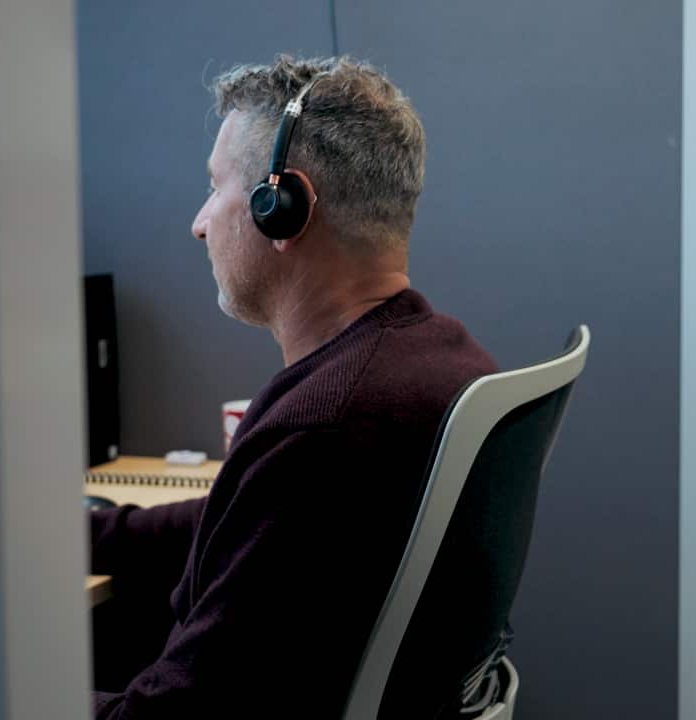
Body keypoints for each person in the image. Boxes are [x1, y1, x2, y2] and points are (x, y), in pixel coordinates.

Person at [89, 55, 499, 718]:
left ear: (282, 207)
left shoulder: (327, 425)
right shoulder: (438, 356)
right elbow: (242, 516)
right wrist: (85, 533)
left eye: (215, 188)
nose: (199, 223)